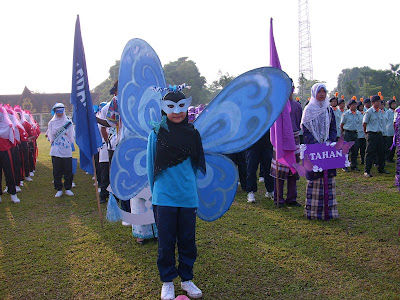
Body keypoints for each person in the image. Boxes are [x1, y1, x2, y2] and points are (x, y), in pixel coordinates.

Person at [147, 89, 206, 300]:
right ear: (164, 110)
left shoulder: (193, 134)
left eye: (181, 106)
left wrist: (189, 188)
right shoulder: (156, 134)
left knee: (188, 239)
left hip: (187, 196)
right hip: (164, 198)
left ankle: (187, 278)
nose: (177, 112)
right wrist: (157, 194)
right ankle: (167, 281)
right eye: (171, 107)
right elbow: (150, 166)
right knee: (166, 241)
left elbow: (196, 165)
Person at [301, 83, 338, 220]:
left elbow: (333, 127)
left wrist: (330, 141)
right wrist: (317, 145)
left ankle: (330, 211)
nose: (322, 94)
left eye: (324, 91)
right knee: (315, 178)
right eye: (319, 92)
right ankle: (313, 212)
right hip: (314, 149)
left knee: (328, 179)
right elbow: (306, 130)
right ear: (314, 93)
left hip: (328, 149)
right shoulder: (309, 110)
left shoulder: (329, 109)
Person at [270, 84, 302, 207]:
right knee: (279, 171)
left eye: (290, 88)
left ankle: (291, 198)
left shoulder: (297, 106)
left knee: (293, 170)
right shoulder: (277, 106)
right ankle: (278, 198)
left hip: (294, 138)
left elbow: (298, 122)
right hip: (280, 140)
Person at [47, 103, 75, 197]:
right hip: (55, 148)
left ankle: (68, 187)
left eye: (61, 111)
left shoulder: (68, 123)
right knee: (56, 170)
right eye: (57, 111)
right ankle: (58, 188)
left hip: (66, 148)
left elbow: (71, 135)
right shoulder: (51, 123)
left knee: (68, 169)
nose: (59, 114)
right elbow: (50, 135)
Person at [363, 95, 389, 177]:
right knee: (370, 152)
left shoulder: (380, 112)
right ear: (373, 103)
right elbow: (364, 123)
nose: (379, 103)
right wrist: (366, 133)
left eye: (380, 101)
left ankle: (381, 168)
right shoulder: (369, 112)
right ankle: (367, 170)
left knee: (381, 152)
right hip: (372, 133)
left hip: (379, 134)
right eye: (377, 101)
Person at [245, 130, 274, 202]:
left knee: (268, 169)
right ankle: (250, 192)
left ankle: (270, 190)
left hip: (266, 143)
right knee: (251, 169)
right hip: (252, 144)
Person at [0, 105, 20, 203]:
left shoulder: (8, 126)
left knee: (9, 172)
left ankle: (13, 193)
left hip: (6, 151)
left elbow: (13, 140)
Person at [340, 98, 361, 172]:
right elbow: (342, 124)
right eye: (353, 105)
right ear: (349, 106)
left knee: (355, 150)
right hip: (347, 133)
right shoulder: (346, 114)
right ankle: (344, 165)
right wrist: (343, 134)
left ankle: (354, 165)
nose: (355, 106)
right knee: (346, 150)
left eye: (355, 104)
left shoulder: (358, 114)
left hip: (354, 133)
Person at [384, 98, 396, 163]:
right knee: (389, 145)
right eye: (393, 104)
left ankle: (391, 157)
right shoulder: (388, 112)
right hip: (389, 130)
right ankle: (387, 158)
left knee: (394, 145)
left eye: (395, 104)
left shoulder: (396, 112)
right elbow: (385, 121)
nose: (394, 105)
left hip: (395, 131)